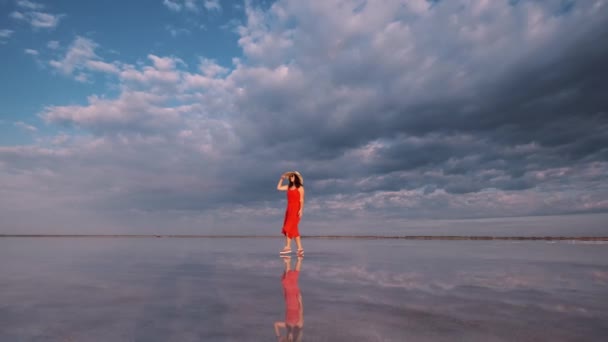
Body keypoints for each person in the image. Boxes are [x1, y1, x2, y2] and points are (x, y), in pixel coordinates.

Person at [274, 256, 304, 341]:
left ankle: (298, 260)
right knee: (288, 282)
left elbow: (276, 324)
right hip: (294, 301)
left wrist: (278, 336)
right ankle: (288, 262)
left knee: (292, 280)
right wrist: (300, 301)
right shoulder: (298, 325)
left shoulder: (287, 325)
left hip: (288, 300)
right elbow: (301, 311)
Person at [277, 171, 305, 256]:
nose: (291, 178)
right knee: (294, 230)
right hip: (289, 209)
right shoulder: (288, 187)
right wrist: (281, 179)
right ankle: (300, 249)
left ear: (296, 177)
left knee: (288, 227)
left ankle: (288, 247)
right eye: (290, 177)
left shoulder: (300, 187)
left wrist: (301, 210)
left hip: (296, 209)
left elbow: (301, 200)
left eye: (292, 176)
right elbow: (278, 188)